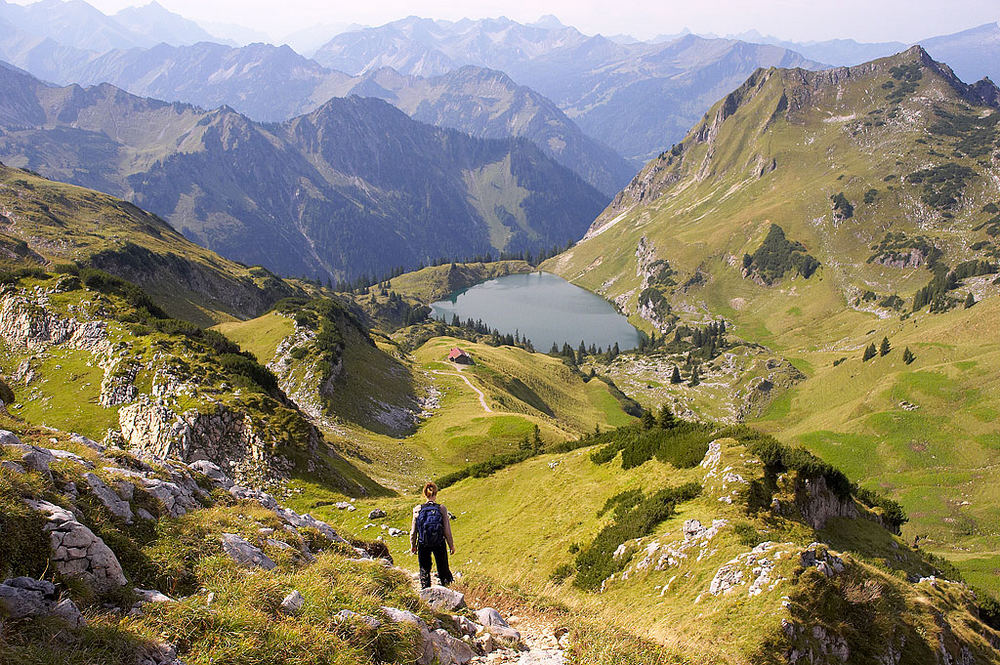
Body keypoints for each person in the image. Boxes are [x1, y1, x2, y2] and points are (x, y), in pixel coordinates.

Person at [410, 481, 455, 588]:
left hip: (423, 543)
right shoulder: (441, 508)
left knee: (424, 568)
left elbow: (413, 531)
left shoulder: (418, 509)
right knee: (443, 567)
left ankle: (425, 592)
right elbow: (447, 530)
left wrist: (413, 545)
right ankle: (448, 589)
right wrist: (451, 545)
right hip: (439, 543)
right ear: (436, 493)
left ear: (424, 494)